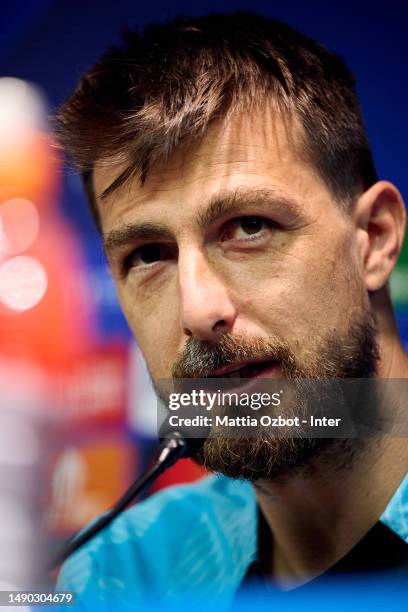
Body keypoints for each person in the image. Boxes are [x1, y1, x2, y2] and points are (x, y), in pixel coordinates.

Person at [55, 11, 408, 608]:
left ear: (373, 239)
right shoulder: (120, 575)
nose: (198, 309)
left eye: (248, 226)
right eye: (147, 255)